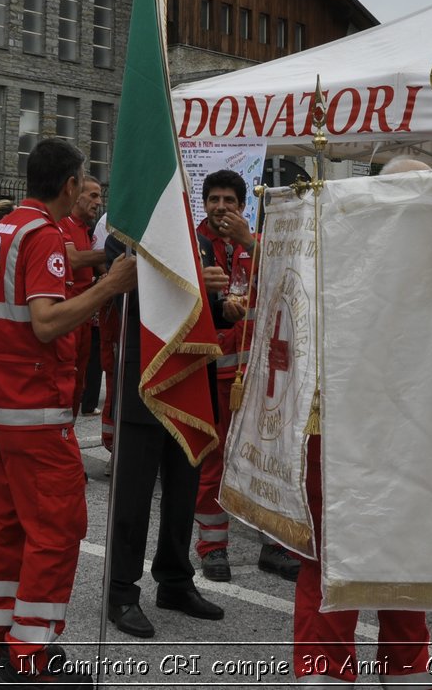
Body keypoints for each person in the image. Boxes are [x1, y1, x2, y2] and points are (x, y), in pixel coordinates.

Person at [0, 140, 136, 687]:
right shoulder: (43, 236)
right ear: (69, 185)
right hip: (36, 416)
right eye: (83, 183)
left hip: (2, 414)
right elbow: (44, 322)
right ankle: (31, 659)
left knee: (6, 531)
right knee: (57, 533)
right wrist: (110, 284)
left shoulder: (3, 229)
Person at [292, 154, 432, 687]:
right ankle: (325, 675)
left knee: (407, 563)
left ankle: (407, 674)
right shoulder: (337, 251)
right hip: (343, 438)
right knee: (334, 562)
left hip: (413, 438)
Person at [103, 232, 227, 640]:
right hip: (147, 378)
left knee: (181, 493)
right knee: (132, 499)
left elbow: (203, 311)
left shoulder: (199, 241)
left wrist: (226, 310)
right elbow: (132, 294)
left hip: (190, 380)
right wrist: (194, 280)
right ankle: (121, 591)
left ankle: (174, 581)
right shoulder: (123, 239)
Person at [193, 169, 299, 583]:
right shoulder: (193, 243)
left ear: (243, 205)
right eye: (214, 199)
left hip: (258, 376)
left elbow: (288, 275)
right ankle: (213, 547)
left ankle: (273, 545)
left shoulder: (258, 241)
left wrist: (246, 241)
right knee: (212, 462)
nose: (221, 207)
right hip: (210, 375)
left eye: (229, 200)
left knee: (266, 460)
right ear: (204, 203)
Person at [61, 176, 107, 418]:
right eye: (93, 195)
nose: (98, 202)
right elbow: (74, 259)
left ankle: (70, 427)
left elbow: (89, 266)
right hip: (68, 315)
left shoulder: (84, 229)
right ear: (76, 194)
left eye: (99, 196)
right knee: (67, 375)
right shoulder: (63, 223)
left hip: (85, 315)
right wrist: (113, 252)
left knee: (80, 378)